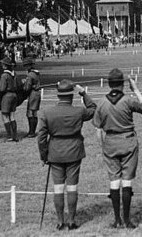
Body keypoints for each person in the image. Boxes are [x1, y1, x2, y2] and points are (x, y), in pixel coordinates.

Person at [92, 69, 142, 229]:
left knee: (114, 181)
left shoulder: (102, 102)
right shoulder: (128, 100)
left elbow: (98, 128)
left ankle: (117, 219)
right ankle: (127, 219)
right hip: (128, 141)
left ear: (109, 83)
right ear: (123, 84)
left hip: (110, 141)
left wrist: (102, 146)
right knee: (127, 181)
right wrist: (136, 90)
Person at [37, 80, 96, 230]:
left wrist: (44, 156)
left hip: (55, 153)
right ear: (71, 96)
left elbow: (41, 138)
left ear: (58, 96)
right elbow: (93, 108)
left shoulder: (46, 112)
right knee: (72, 187)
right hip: (74, 152)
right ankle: (71, 221)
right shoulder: (79, 111)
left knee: (58, 188)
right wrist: (83, 93)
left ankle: (59, 221)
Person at [0, 56, 20, 142]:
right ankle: (15, 136)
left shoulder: (4, 75)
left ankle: (9, 136)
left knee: (5, 116)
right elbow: (18, 86)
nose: (2, 65)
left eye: (3, 64)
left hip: (7, 96)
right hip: (14, 95)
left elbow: (2, 88)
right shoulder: (14, 74)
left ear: (5, 66)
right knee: (12, 116)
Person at [23, 58, 42, 137]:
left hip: (33, 94)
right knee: (34, 112)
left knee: (30, 113)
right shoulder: (35, 73)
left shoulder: (30, 74)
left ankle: (31, 132)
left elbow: (27, 87)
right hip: (37, 93)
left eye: (26, 65)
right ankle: (32, 131)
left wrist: (24, 83)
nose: (25, 67)